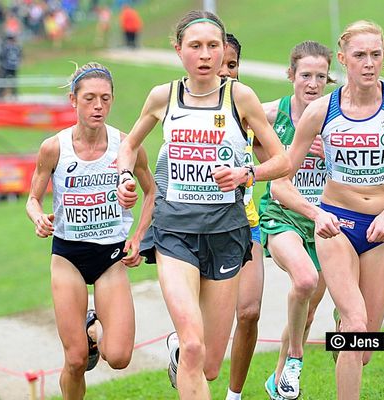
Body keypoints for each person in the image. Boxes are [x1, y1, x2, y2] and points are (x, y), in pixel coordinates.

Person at [116, 10, 289, 400]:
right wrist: (125, 177)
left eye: (214, 46)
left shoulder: (240, 97)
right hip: (175, 231)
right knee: (195, 346)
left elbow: (283, 160)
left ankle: (180, 352)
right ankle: (185, 346)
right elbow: (128, 145)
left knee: (208, 364)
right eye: (196, 46)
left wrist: (247, 174)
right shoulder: (163, 97)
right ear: (179, 51)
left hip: (227, 232)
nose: (206, 54)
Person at [271, 20, 384, 400]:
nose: (369, 63)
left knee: (364, 348)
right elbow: (281, 183)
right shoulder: (321, 111)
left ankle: (345, 321)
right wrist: (316, 215)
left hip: (382, 231)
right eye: (359, 55)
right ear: (343, 60)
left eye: (376, 54)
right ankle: (348, 317)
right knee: (356, 327)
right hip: (335, 227)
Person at [26, 62, 155, 400]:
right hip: (68, 254)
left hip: (110, 254)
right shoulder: (54, 148)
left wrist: (139, 236)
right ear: (73, 100)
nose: (98, 106)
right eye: (89, 99)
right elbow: (32, 199)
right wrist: (38, 217)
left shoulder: (126, 145)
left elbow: (152, 191)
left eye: (105, 99)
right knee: (75, 359)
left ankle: (92, 329)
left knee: (120, 357)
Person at [258, 40, 336, 400]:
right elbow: (233, 124)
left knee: (305, 315)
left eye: (321, 76)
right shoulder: (275, 112)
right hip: (282, 213)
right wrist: (277, 151)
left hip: (325, 223)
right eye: (306, 75)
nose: (313, 83)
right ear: (291, 76)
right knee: (305, 279)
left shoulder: (336, 117)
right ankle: (296, 359)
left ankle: (279, 383)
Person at [215, 33, 265, 400]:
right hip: (199, 230)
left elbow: (277, 157)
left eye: (232, 66)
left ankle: (235, 396)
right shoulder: (186, 109)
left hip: (246, 225)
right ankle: (180, 346)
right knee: (203, 335)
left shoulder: (247, 107)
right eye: (220, 66)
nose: (225, 73)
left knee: (248, 312)